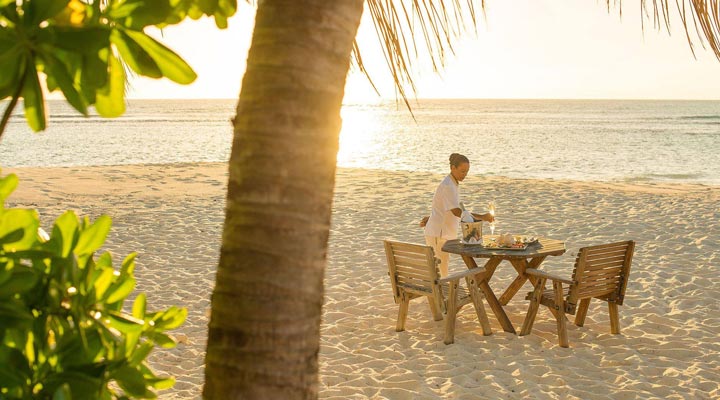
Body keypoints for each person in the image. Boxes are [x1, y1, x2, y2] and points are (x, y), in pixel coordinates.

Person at [420, 153, 494, 277]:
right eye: (462, 171)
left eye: (467, 172)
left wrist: (430, 218)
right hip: (438, 234)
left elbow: (445, 208)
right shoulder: (448, 185)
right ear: (452, 168)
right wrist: (482, 217)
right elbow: (457, 212)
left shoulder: (452, 183)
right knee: (440, 274)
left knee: (441, 270)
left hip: (440, 232)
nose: (464, 174)